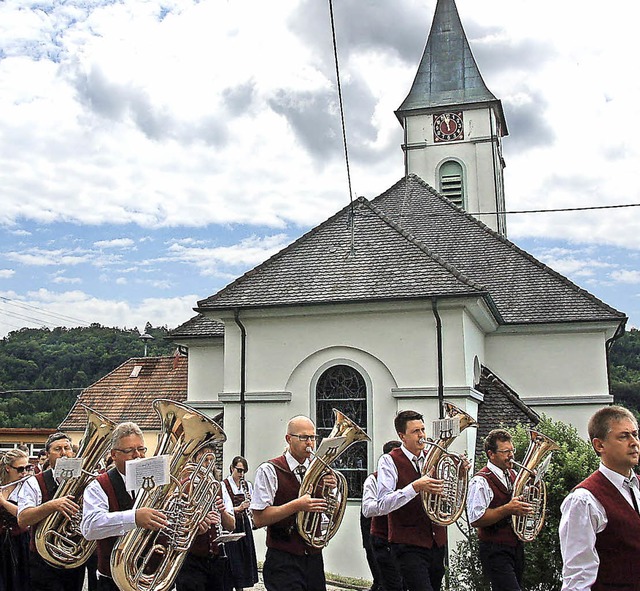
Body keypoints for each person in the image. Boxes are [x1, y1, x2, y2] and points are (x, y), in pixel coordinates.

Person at [559, 405, 640, 590]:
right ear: (599, 445)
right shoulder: (584, 499)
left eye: (635, 434)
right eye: (624, 436)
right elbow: (577, 576)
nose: (634, 442)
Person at [251, 415, 335, 591]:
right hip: (283, 559)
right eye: (304, 437)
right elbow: (259, 519)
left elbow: (329, 512)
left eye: (313, 437)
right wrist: (297, 505)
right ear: (289, 439)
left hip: (313, 558)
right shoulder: (270, 470)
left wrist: (330, 492)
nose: (310, 443)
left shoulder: (319, 470)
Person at [81, 422, 168, 591]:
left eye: (141, 449)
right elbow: (90, 528)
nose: (137, 456)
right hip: (114, 581)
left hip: (152, 578)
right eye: (129, 451)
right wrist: (134, 518)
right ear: (114, 454)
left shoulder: (156, 482)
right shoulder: (99, 485)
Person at [376, 410, 446, 591]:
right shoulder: (389, 461)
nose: (422, 435)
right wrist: (415, 487)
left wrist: (461, 473)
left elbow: (446, 494)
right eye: (416, 431)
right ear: (402, 436)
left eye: (423, 430)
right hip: (408, 543)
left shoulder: (433, 457)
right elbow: (383, 503)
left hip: (436, 541)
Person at [17, 432, 85, 591]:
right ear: (47, 455)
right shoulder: (34, 482)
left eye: (67, 448)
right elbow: (23, 519)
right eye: (57, 449)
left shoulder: (85, 481)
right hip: (43, 561)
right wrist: (51, 505)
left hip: (73, 558)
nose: (64, 453)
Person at [467, 429, 533, 591]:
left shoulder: (513, 474)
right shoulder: (480, 481)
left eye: (512, 451)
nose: (511, 455)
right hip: (494, 548)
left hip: (515, 545)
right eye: (505, 452)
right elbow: (476, 519)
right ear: (491, 454)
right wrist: (507, 509)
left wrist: (533, 484)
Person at [174, 442, 236, 591]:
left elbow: (231, 525)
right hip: (191, 560)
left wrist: (222, 512)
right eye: (204, 460)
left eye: (210, 461)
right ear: (194, 459)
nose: (208, 465)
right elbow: (175, 526)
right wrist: (196, 524)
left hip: (216, 560)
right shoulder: (182, 486)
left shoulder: (218, 486)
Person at [361, 440, 403, 591]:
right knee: (386, 583)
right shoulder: (373, 479)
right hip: (381, 539)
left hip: (403, 540)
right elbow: (367, 510)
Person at [222, 456, 258, 591]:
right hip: (231, 525)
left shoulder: (247, 485)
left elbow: (253, 505)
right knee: (233, 559)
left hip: (244, 525)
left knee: (244, 558)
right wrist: (239, 508)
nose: (241, 474)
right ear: (232, 468)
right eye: (239, 470)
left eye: (243, 471)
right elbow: (225, 508)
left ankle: (241, 586)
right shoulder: (224, 485)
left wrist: (250, 506)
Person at [0, 449, 33, 591]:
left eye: (27, 468)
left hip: (19, 541)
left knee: (19, 581)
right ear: (8, 468)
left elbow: (25, 516)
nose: (24, 473)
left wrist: (4, 503)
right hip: (1, 541)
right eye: (20, 469)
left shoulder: (28, 486)